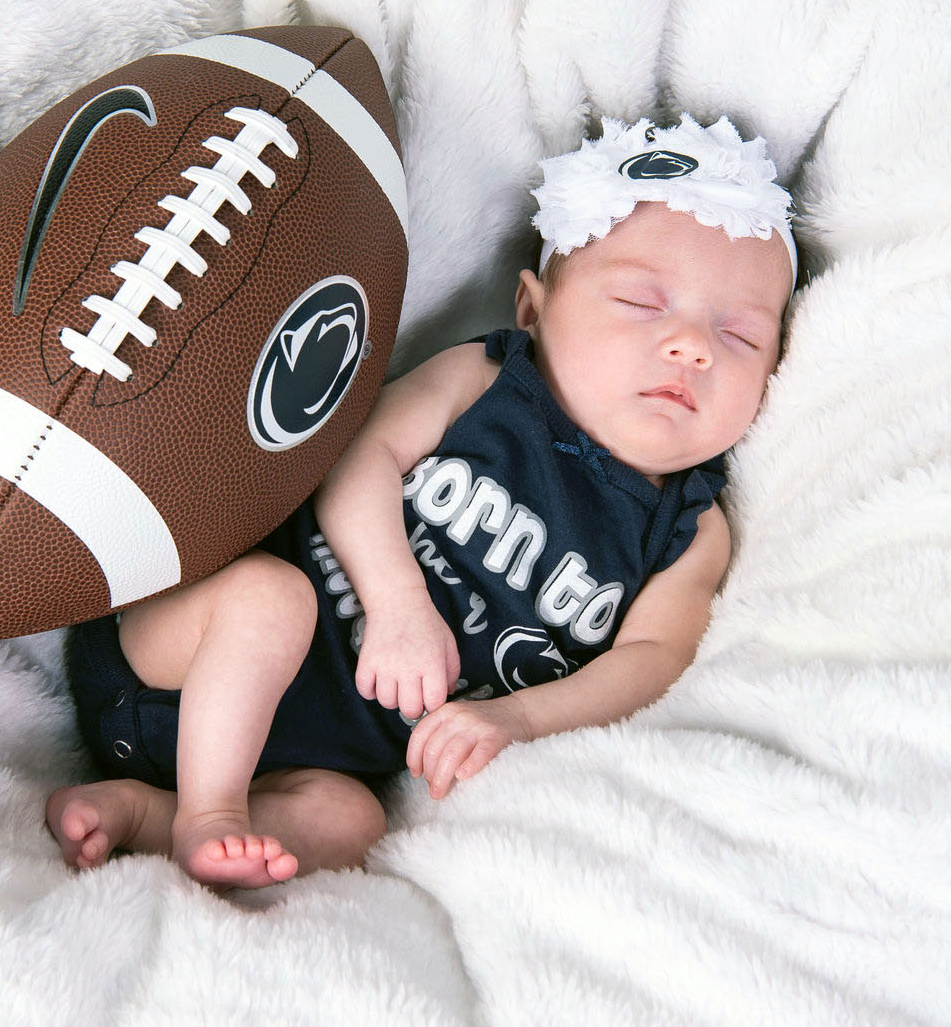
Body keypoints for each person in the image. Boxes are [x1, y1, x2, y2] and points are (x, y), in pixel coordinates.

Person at [46, 114, 798, 891]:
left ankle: (147, 816)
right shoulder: (487, 383)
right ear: (534, 311)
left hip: (297, 759)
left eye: (740, 336)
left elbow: (652, 661)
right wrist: (398, 605)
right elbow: (356, 459)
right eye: (643, 302)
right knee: (270, 600)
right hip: (175, 649)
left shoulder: (687, 531)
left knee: (351, 822)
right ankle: (210, 812)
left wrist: (515, 719)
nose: (691, 346)